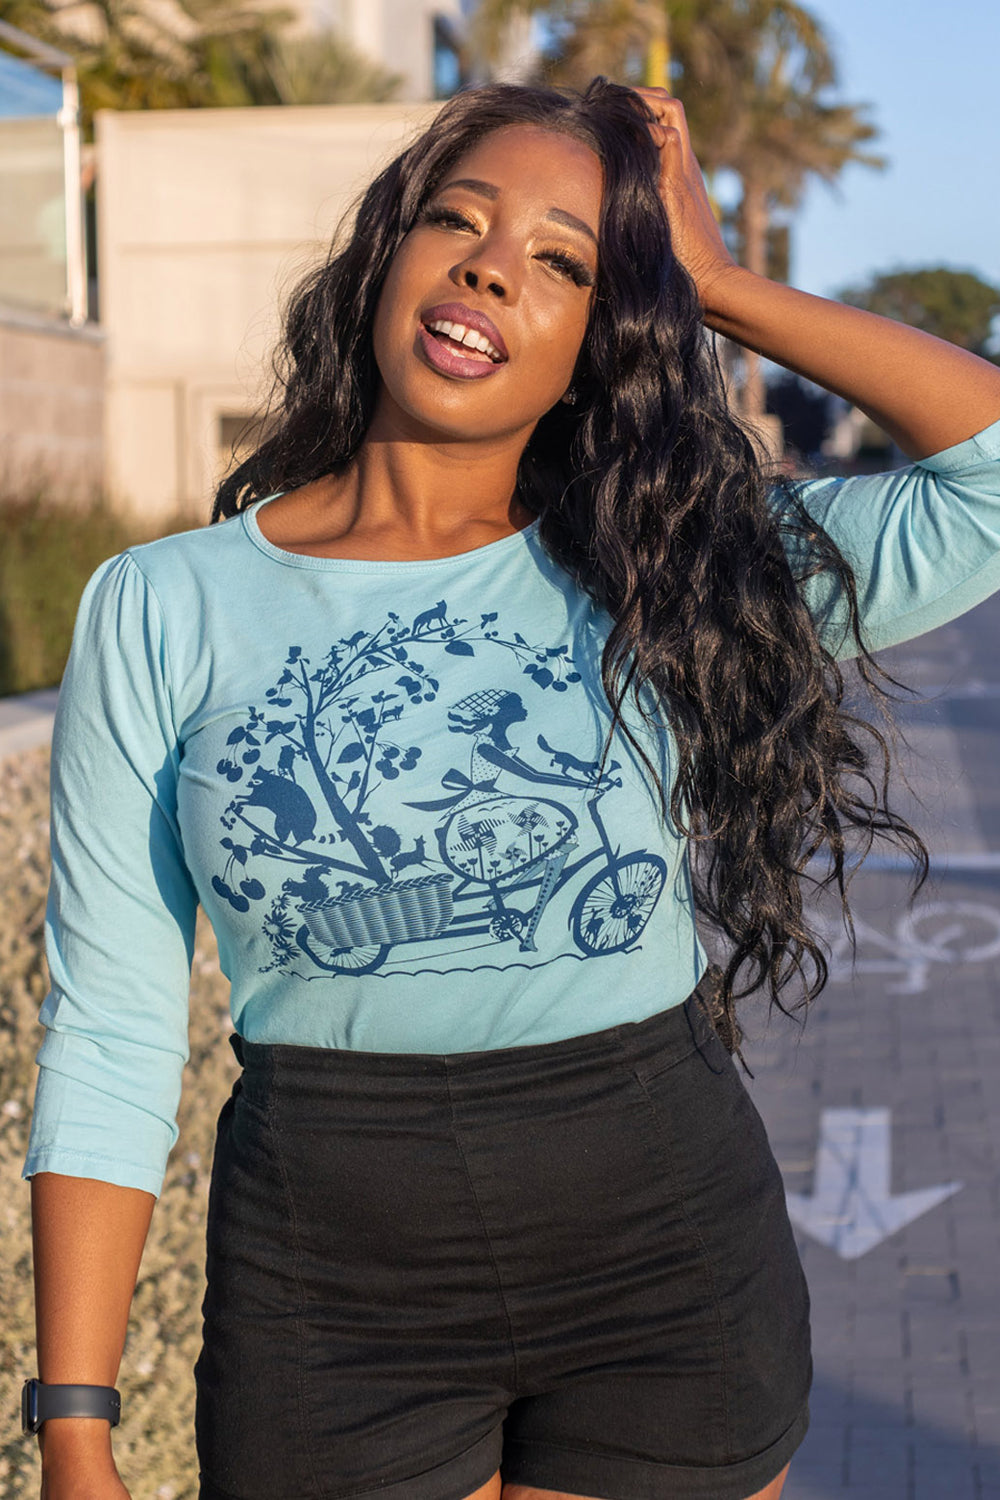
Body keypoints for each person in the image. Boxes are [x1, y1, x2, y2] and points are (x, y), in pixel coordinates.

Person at [22, 79, 1000, 1500]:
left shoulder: (666, 566)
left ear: (602, 340)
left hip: (662, 1258)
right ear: (387, 254)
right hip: (327, 1289)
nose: (492, 265)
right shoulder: (163, 606)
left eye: (564, 261)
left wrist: (718, 285)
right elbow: (110, 1027)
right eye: (457, 219)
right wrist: (76, 1425)